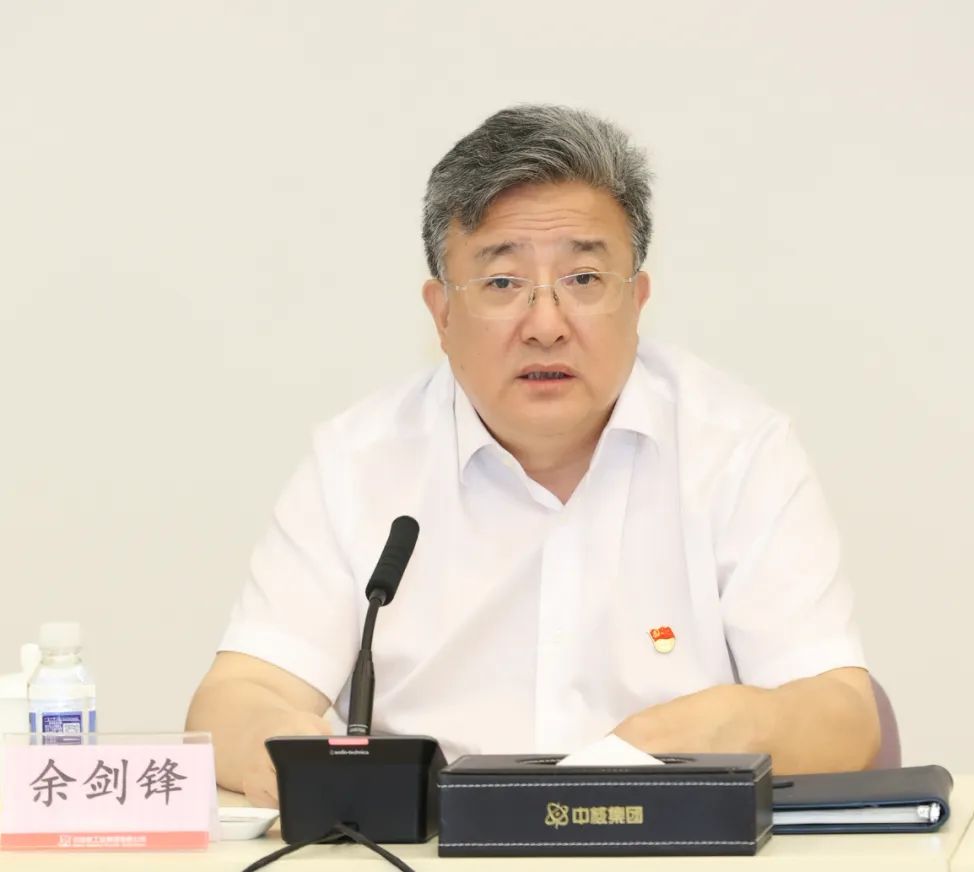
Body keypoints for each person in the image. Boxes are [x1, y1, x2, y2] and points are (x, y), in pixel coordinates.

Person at [187, 105, 881, 807]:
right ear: (441, 314)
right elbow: (239, 695)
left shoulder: (736, 451)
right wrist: (288, 752)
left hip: (667, 842)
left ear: (637, 300)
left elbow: (845, 718)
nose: (546, 325)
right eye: (502, 283)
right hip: (431, 847)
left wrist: (731, 727)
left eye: (584, 279)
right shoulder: (357, 464)